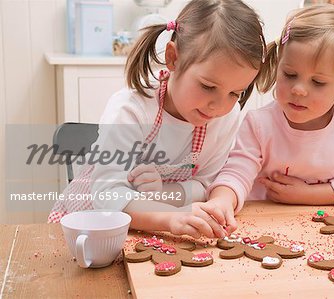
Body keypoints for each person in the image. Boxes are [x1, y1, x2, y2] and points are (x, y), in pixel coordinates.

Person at [48, 0, 267, 239]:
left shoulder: (226, 116)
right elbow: (108, 194)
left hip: (150, 233)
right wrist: (170, 217)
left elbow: (204, 185)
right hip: (92, 230)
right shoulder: (132, 111)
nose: (219, 105)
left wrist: (163, 192)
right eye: (208, 86)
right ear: (173, 58)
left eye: (236, 93)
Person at [206, 4, 334, 226]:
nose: (298, 89)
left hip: (327, 228)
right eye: (290, 74)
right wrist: (221, 201)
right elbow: (237, 172)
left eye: (318, 82)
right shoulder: (259, 124)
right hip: (265, 226)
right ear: (278, 65)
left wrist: (308, 195)